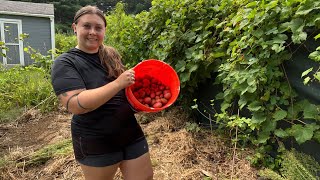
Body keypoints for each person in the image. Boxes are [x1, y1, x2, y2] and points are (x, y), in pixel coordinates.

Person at [50, 5, 153, 180]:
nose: (92, 32)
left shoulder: (110, 54)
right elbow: (76, 104)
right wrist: (118, 83)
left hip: (129, 131)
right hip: (95, 140)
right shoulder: (65, 63)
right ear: (75, 28)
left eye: (98, 27)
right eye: (86, 26)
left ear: (104, 30)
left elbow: (124, 92)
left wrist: (139, 102)